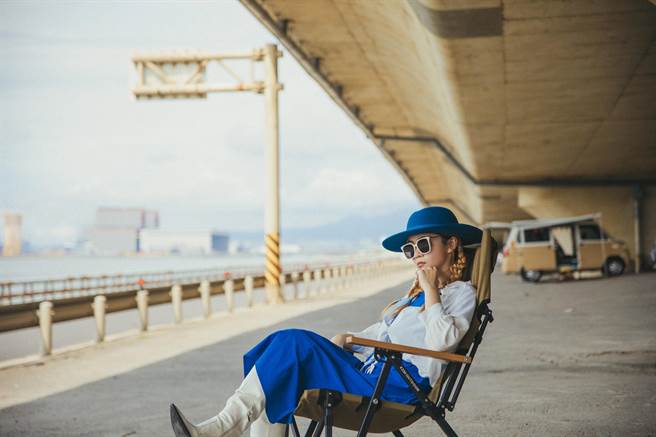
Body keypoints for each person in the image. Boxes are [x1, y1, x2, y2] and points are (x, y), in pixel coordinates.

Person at [170, 206, 482, 437]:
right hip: (370, 370)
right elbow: (383, 333)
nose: (415, 254)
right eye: (409, 249)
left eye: (423, 245)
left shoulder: (459, 294)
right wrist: (351, 338)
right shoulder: (413, 297)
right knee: (282, 351)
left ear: (451, 243)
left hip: (394, 386)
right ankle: (219, 428)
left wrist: (431, 290)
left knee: (292, 345)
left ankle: (220, 429)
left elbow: (442, 343)